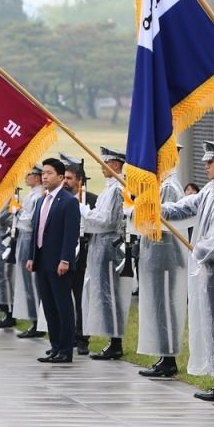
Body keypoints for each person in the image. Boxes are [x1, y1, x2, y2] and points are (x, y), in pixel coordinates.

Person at [161, 141, 214, 403]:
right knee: (213, 324)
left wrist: (200, 251)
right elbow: (183, 208)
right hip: (210, 268)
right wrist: (154, 208)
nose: (205, 165)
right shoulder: (211, 190)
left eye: (210, 161)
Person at [136, 161, 187, 377]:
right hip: (159, 255)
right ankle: (164, 355)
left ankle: (169, 358)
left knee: (165, 307)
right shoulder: (163, 184)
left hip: (165, 256)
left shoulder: (168, 187)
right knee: (159, 307)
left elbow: (164, 219)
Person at [26, 158, 80, 364]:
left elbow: (70, 234)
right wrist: (32, 256)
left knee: (62, 306)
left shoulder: (68, 201)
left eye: (49, 173)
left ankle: (66, 349)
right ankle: (55, 346)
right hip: (42, 261)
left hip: (59, 262)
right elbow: (36, 231)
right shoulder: (42, 200)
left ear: (60, 176)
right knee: (48, 306)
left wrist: (65, 259)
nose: (45, 177)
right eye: (43, 173)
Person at [80, 147, 130, 360]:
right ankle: (112, 338)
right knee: (102, 293)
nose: (102, 166)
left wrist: (83, 211)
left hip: (109, 245)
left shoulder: (116, 189)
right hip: (100, 244)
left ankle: (115, 342)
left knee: (109, 293)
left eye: (105, 162)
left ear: (116, 165)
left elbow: (107, 221)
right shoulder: (110, 189)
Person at [62, 160, 96, 355]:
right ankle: (68, 334)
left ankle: (82, 337)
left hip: (85, 253)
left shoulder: (91, 199)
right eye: (64, 178)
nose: (65, 182)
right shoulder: (62, 199)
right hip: (66, 252)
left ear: (79, 181)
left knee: (82, 296)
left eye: (69, 178)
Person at [12, 167, 44, 338]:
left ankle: (37, 322)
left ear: (37, 177)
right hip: (24, 235)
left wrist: (17, 212)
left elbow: (31, 219)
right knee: (26, 280)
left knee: (31, 280)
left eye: (29, 175)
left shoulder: (38, 195)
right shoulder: (32, 194)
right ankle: (34, 320)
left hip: (29, 236)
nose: (26, 178)